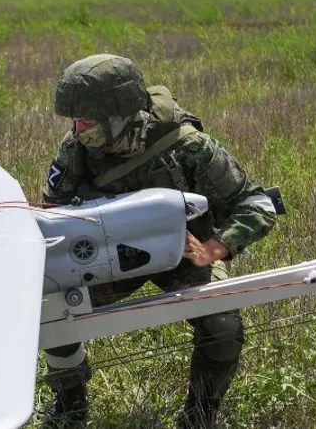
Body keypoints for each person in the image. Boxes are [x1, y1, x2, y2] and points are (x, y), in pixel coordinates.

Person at [38, 54, 277, 428]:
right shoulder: (77, 150)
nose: (77, 128)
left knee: (223, 323)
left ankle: (199, 416)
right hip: (107, 258)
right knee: (52, 309)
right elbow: (53, 215)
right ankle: (71, 405)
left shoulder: (189, 147)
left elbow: (257, 203)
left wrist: (216, 248)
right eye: (75, 120)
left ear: (118, 115)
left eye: (87, 121)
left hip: (183, 257)